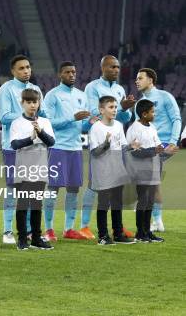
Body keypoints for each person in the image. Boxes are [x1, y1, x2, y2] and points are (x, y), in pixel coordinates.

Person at [81, 55, 135, 240]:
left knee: (116, 197)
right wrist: (119, 110)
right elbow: (94, 112)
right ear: (103, 67)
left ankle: (117, 231)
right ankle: (87, 226)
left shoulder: (120, 89)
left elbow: (125, 119)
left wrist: (126, 109)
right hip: (101, 151)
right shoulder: (92, 87)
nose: (116, 70)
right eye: (113, 67)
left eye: (118, 67)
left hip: (115, 156)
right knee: (96, 190)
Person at [41, 62, 90, 241]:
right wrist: (72, 118)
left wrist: (89, 123)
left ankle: (69, 229)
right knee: (53, 188)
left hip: (76, 148)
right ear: (59, 74)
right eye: (68, 72)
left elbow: (81, 124)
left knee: (74, 189)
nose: (72, 75)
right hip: (58, 147)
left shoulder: (81, 95)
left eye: (74, 72)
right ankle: (49, 229)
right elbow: (48, 122)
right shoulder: (52, 95)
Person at [0, 55, 43, 244]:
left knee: (33, 190)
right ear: (13, 71)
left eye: (28, 67)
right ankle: (8, 230)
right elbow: (5, 116)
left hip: (34, 147)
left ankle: (31, 231)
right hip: (13, 147)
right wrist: (27, 115)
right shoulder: (6, 88)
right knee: (13, 189)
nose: (26, 71)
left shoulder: (36, 89)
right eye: (22, 68)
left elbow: (44, 113)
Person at [134, 68, 181, 232]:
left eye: (140, 78)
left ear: (151, 80)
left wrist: (174, 141)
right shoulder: (139, 104)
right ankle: (156, 219)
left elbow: (176, 119)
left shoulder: (165, 96)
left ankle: (154, 218)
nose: (137, 81)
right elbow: (137, 127)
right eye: (136, 79)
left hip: (164, 143)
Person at [9, 89, 55, 250]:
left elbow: (51, 142)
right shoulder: (16, 123)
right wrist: (30, 139)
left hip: (40, 170)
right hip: (23, 170)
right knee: (22, 205)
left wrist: (40, 132)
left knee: (36, 205)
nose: (32, 105)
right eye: (28, 102)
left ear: (39, 103)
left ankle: (36, 238)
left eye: (34, 102)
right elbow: (14, 144)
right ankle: (22, 239)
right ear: (22, 103)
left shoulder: (44, 122)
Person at [126, 100, 176, 243]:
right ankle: (140, 233)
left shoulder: (152, 127)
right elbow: (134, 152)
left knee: (149, 202)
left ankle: (147, 232)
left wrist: (167, 151)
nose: (155, 114)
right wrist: (154, 150)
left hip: (153, 169)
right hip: (140, 170)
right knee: (143, 201)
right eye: (152, 112)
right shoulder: (134, 129)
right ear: (144, 114)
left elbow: (157, 147)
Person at [88, 96, 134, 245]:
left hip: (117, 170)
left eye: (115, 107)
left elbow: (123, 146)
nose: (114, 110)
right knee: (103, 203)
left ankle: (118, 234)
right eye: (111, 107)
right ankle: (103, 236)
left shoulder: (119, 125)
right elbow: (95, 152)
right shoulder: (96, 128)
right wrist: (106, 144)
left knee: (117, 203)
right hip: (102, 171)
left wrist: (132, 146)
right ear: (101, 110)